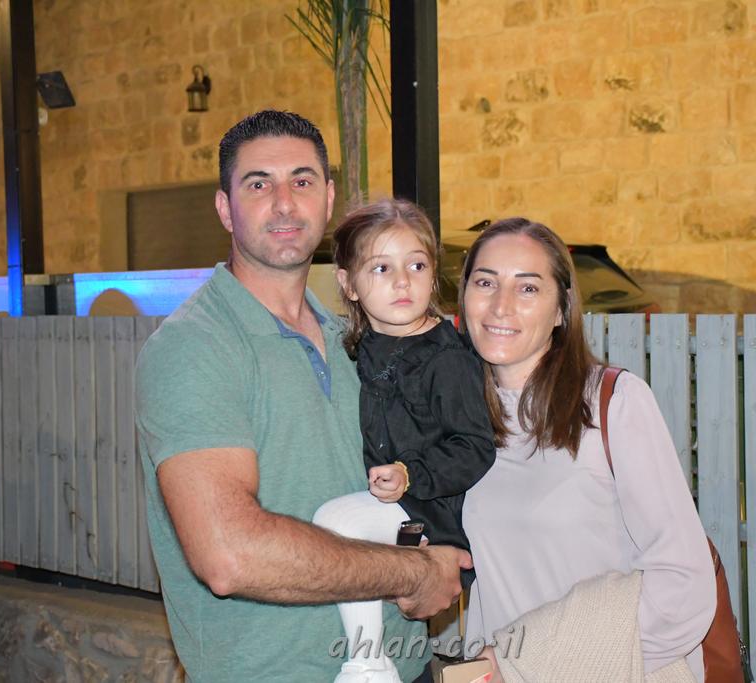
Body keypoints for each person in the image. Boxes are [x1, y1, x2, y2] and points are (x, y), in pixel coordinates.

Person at [134, 111, 471, 683]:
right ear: (225, 209)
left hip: (402, 666)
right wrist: (413, 573)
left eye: (303, 180)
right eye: (258, 184)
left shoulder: (357, 341)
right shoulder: (196, 347)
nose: (285, 203)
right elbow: (230, 554)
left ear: (328, 199)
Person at [457, 218, 716, 681]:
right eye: (486, 282)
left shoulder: (612, 405)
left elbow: (684, 587)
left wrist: (539, 662)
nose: (501, 305)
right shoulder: (456, 421)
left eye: (528, 288)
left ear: (561, 310)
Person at [311, 199, 496, 683]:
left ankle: (368, 662)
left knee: (337, 523)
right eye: (381, 268)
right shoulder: (362, 347)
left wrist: (412, 474)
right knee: (344, 537)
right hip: (399, 506)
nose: (402, 282)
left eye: (416, 266)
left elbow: (476, 445)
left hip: (433, 516)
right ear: (349, 284)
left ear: (433, 277)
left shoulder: (446, 358)